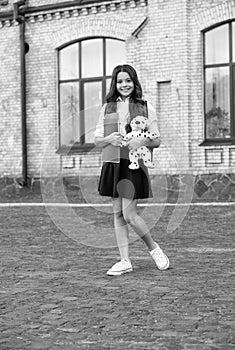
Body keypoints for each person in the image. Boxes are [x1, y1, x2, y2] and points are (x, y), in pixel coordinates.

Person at [94, 64, 169, 276]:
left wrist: (141, 141)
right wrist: (109, 139)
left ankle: (154, 248)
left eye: (128, 80)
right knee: (117, 214)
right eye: (120, 81)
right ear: (114, 84)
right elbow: (98, 140)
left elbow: (157, 140)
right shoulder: (106, 108)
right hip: (112, 164)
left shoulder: (146, 107)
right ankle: (125, 260)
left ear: (134, 82)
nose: (124, 85)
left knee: (130, 215)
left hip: (133, 165)